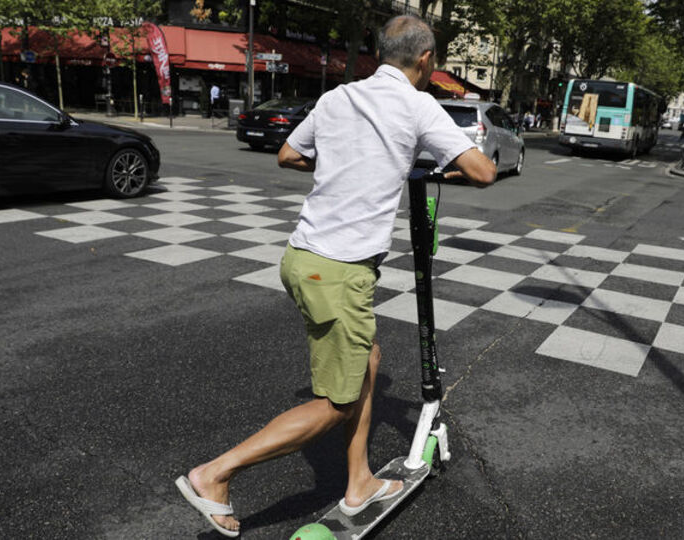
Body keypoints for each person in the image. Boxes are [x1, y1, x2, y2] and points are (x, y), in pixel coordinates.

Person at [174, 14, 496, 538]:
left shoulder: (338, 97)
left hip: (303, 257)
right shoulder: (417, 105)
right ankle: (214, 474)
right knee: (336, 405)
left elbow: (288, 154)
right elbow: (482, 171)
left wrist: (347, 167)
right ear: (426, 60)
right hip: (339, 271)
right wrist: (421, 166)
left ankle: (359, 482)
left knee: (367, 360)